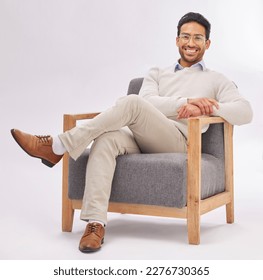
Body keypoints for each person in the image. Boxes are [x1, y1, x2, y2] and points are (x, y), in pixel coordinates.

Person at [11, 12, 253, 253]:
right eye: (185, 36)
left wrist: (209, 105)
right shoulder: (157, 73)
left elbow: (246, 111)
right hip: (141, 135)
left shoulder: (216, 79)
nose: (191, 43)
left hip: (180, 141)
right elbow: (147, 101)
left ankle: (58, 146)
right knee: (106, 138)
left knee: (130, 103)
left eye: (198, 38)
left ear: (207, 43)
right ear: (177, 40)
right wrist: (186, 101)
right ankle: (95, 224)